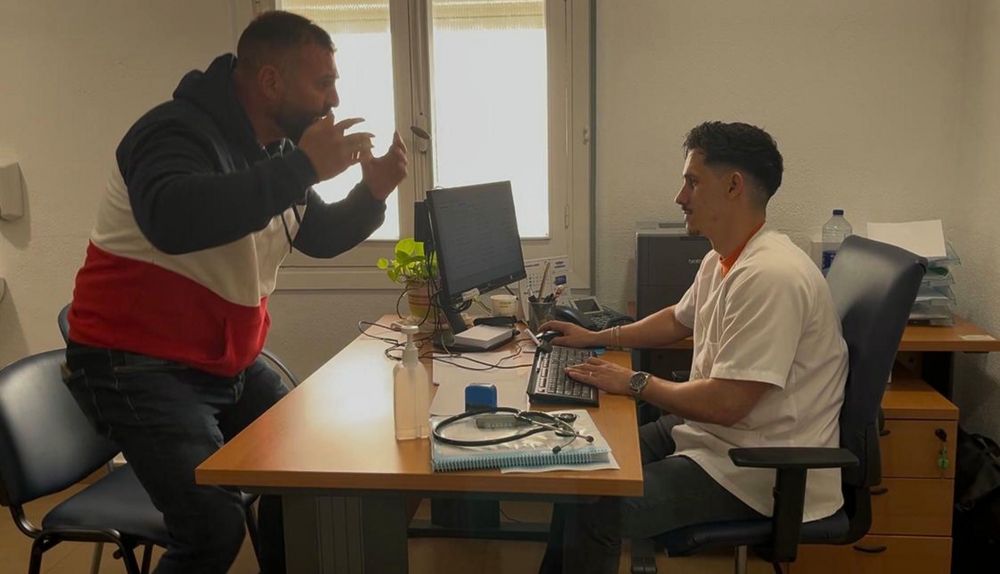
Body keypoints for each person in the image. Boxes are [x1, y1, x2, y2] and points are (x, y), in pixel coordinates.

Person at [62, 10, 406, 574]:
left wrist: (371, 193)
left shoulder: (273, 151)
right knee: (212, 527)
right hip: (136, 365)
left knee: (309, 464)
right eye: (322, 83)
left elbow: (315, 233)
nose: (334, 101)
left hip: (223, 362)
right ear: (270, 81)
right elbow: (172, 218)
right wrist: (304, 166)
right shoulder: (173, 132)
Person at [538, 121, 849, 574]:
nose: (680, 196)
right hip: (711, 436)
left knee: (598, 512)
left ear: (733, 186)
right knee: (576, 467)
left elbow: (727, 404)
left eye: (692, 182)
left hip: (758, 467)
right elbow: (676, 319)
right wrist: (597, 338)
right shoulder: (724, 257)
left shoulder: (771, 276)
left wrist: (634, 381)